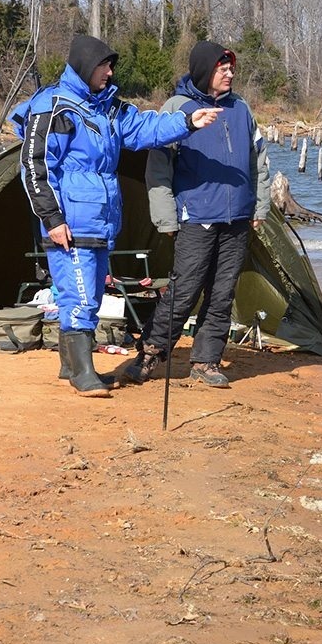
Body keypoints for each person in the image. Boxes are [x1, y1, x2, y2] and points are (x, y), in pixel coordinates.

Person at [16, 34, 222, 398]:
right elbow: (35, 167)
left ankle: (70, 367)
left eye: (111, 66)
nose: (110, 72)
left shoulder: (108, 109)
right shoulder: (55, 107)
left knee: (85, 295)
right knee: (81, 297)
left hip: (100, 220)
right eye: (104, 66)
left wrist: (188, 121)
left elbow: (145, 129)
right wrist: (52, 219)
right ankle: (84, 375)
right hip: (70, 222)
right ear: (85, 66)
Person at [120, 40, 271, 389]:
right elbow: (158, 170)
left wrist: (259, 205)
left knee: (222, 293)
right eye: (223, 69)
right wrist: (166, 218)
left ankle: (206, 361)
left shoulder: (242, 109)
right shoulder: (177, 108)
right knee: (183, 291)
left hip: (237, 219)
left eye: (232, 68)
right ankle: (150, 355)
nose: (230, 74)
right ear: (206, 71)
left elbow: (259, 163)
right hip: (195, 216)